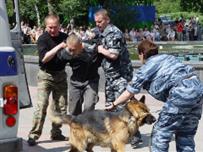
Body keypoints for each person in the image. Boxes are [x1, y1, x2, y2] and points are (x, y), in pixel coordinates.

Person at [106, 39, 203, 152]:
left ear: (141, 54)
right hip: (197, 89)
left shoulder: (148, 66)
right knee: (185, 134)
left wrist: (114, 104)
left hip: (181, 92)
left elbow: (129, 92)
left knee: (160, 133)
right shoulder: (168, 57)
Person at [93, 9, 142, 147]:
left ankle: (135, 136)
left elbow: (113, 55)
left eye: (100, 21)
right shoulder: (102, 31)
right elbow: (92, 34)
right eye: (96, 22)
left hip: (121, 76)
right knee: (111, 107)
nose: (97, 24)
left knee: (125, 106)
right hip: (111, 76)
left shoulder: (114, 32)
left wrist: (100, 50)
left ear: (107, 20)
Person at [27, 14, 68, 146]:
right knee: (42, 105)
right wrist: (59, 46)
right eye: (50, 27)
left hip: (60, 75)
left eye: (55, 27)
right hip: (46, 76)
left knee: (61, 107)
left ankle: (56, 132)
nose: (52, 30)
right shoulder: (43, 39)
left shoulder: (64, 37)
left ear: (59, 26)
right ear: (46, 26)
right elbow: (44, 58)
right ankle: (34, 134)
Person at [56, 33, 102, 116]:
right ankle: (76, 128)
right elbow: (58, 60)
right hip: (75, 82)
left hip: (91, 81)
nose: (71, 52)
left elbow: (100, 43)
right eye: (70, 49)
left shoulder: (91, 49)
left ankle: (87, 128)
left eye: (74, 50)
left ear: (80, 45)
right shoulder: (67, 52)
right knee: (73, 111)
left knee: (89, 107)